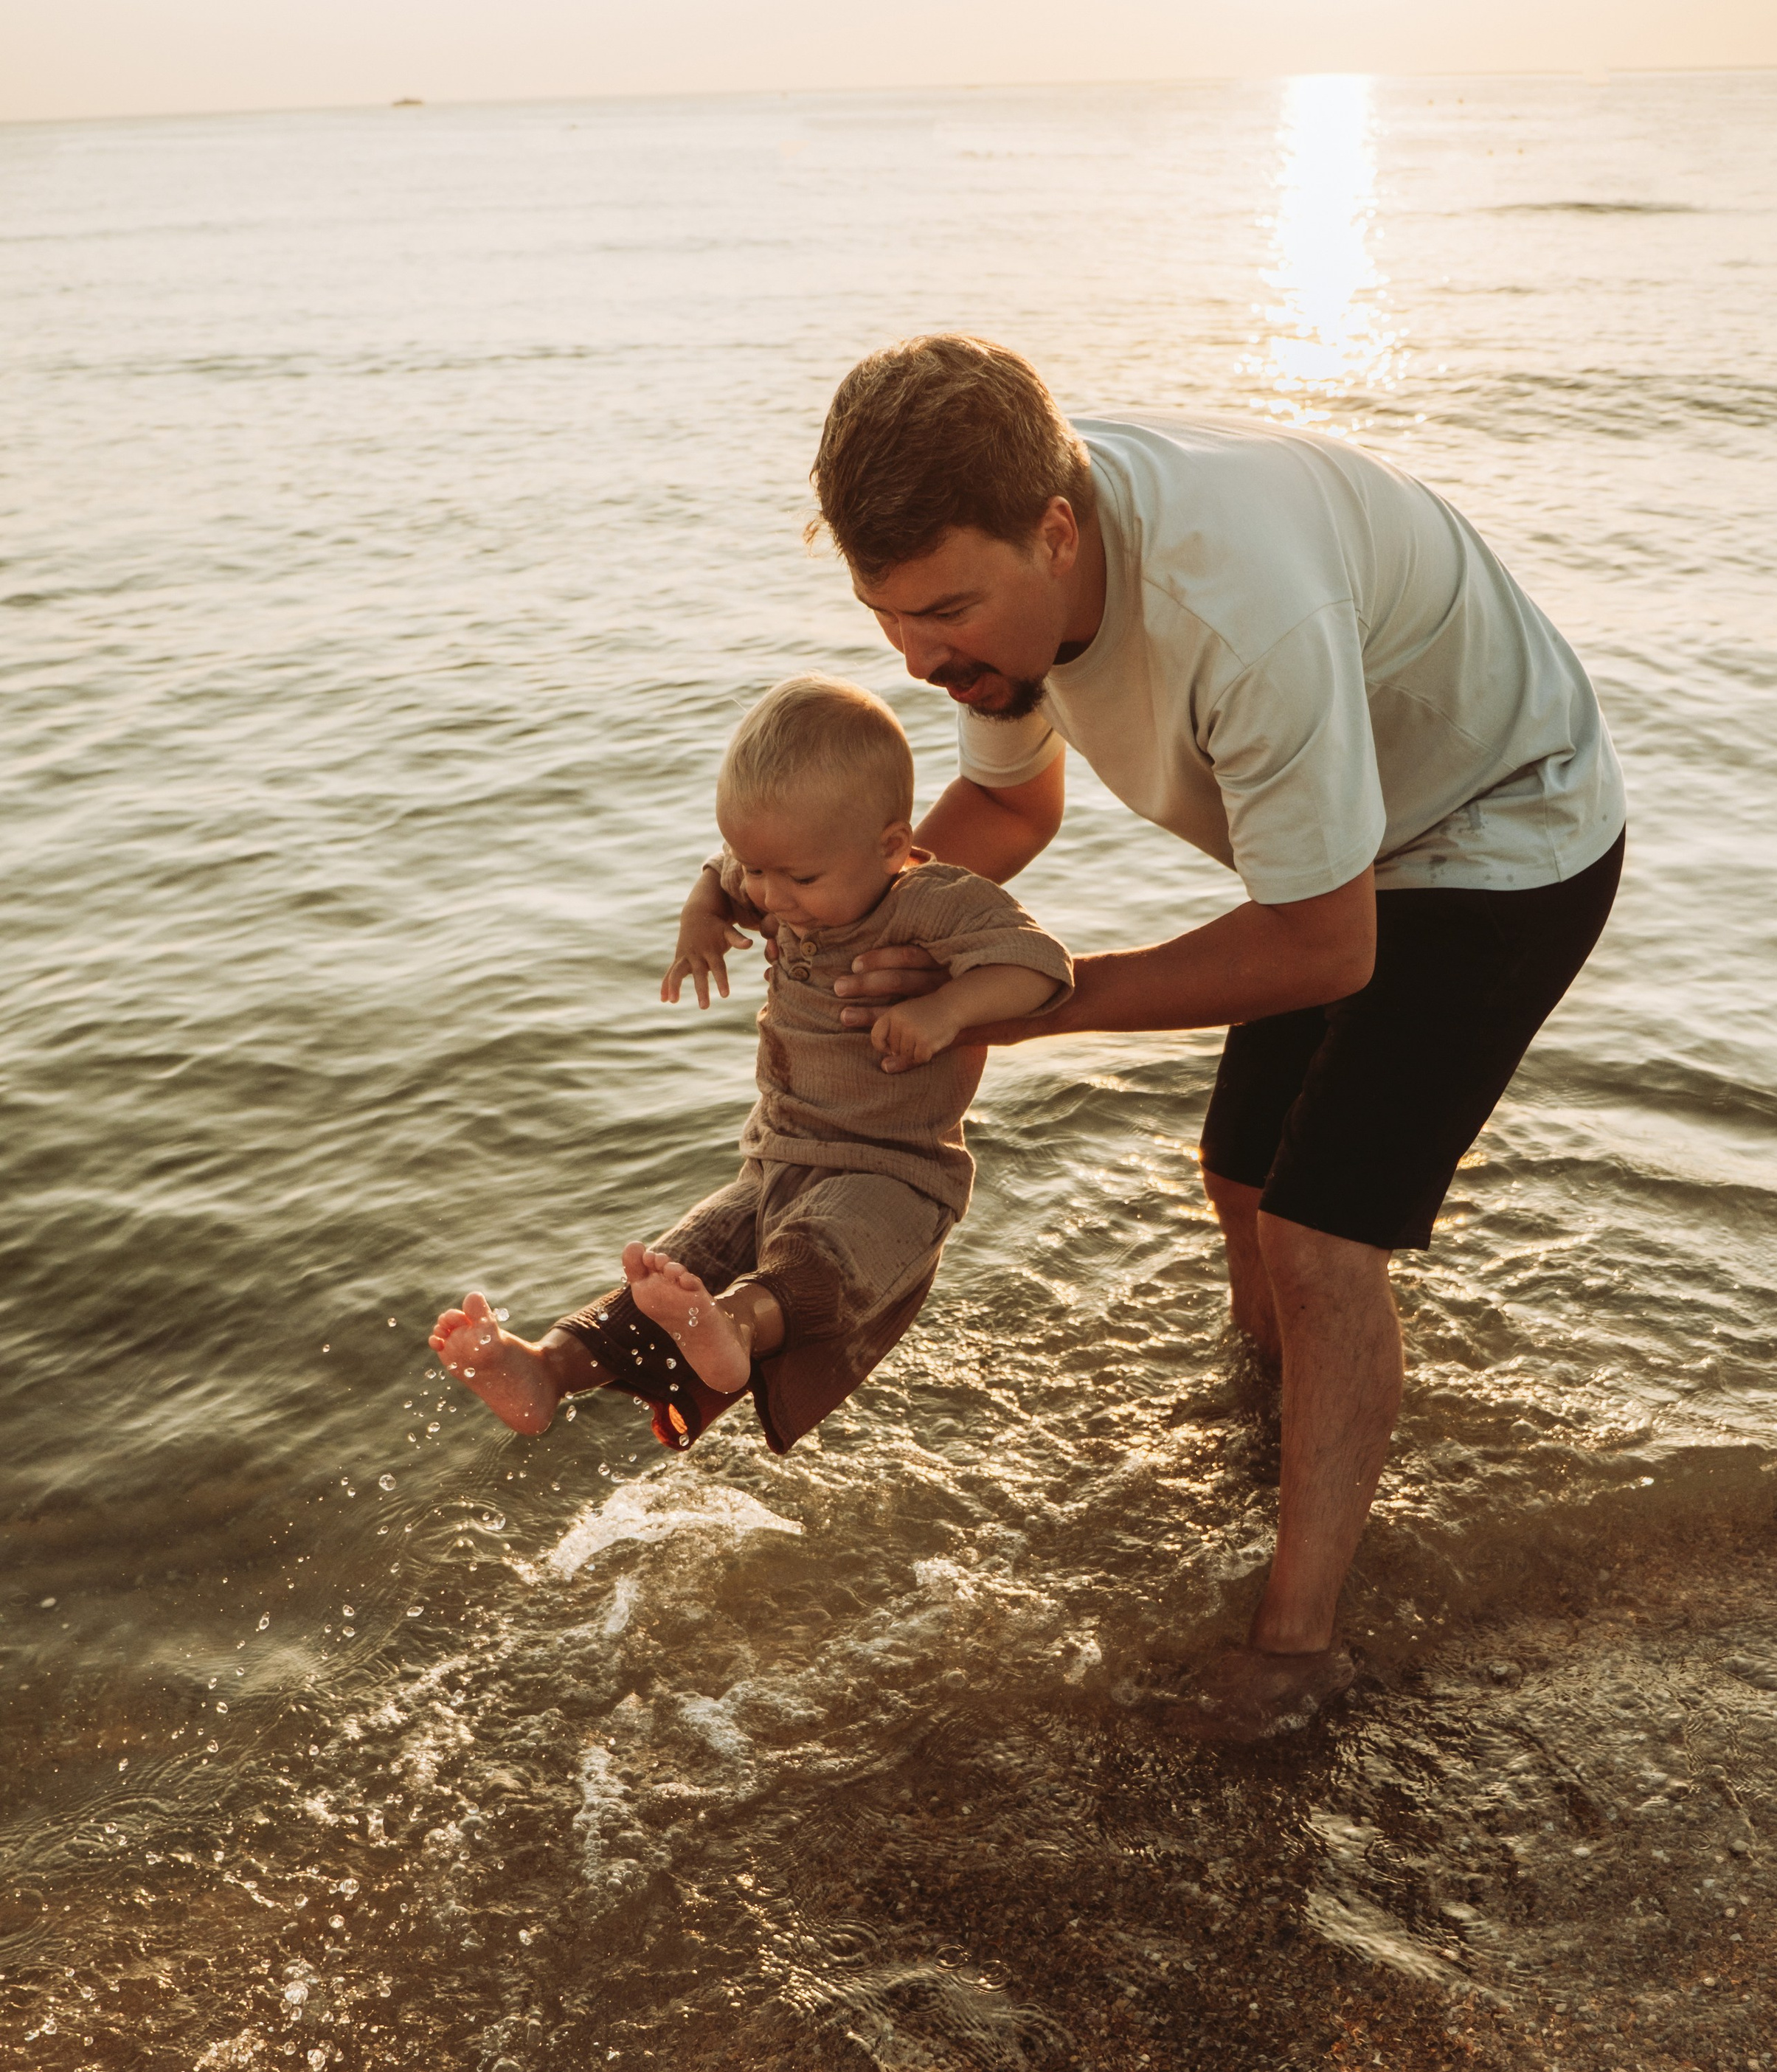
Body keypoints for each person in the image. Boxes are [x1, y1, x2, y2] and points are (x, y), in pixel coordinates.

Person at [743, 333, 1627, 1737]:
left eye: (948, 612)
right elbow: (1012, 815)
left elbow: (1328, 948)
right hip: (1352, 844)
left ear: (1056, 532)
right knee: (1240, 1174)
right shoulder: (1012, 585)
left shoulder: (1236, 609)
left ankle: (1300, 1645)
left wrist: (1023, 994)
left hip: (1504, 826)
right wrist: (836, 914)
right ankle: (1273, 1427)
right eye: (885, 615)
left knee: (1323, 1235)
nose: (916, 660)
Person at [428, 675, 1071, 1453]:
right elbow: (718, 874)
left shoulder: (934, 902)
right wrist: (700, 918)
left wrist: (947, 1010)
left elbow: (1039, 966)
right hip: (774, 1159)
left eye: (798, 879)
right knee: (671, 1272)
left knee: (817, 1264)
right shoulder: (776, 869)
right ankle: (544, 1369)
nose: (771, 897)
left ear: (891, 846)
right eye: (757, 869)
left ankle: (728, 1323)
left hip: (893, 1171)